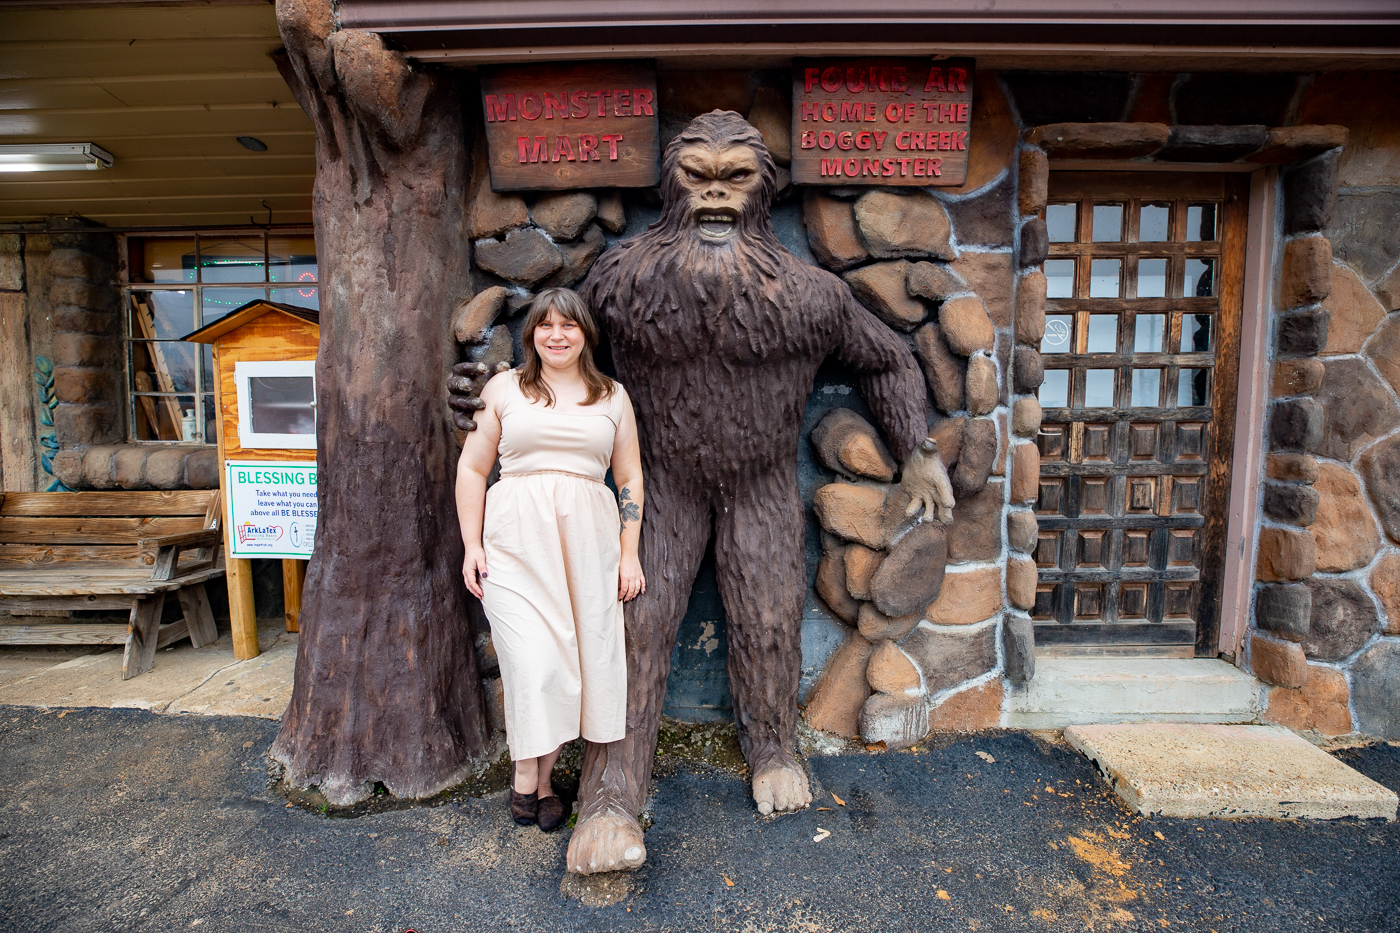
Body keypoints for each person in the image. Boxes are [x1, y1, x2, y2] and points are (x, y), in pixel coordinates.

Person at [455, 287, 645, 833]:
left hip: (589, 545)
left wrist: (629, 555)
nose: (556, 335)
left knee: (575, 669)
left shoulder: (612, 395)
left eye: (569, 326)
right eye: (545, 325)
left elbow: (629, 477)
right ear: (531, 333)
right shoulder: (505, 388)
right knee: (534, 665)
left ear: (585, 334)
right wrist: (472, 544)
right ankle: (526, 781)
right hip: (515, 544)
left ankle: (540, 785)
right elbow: (472, 470)